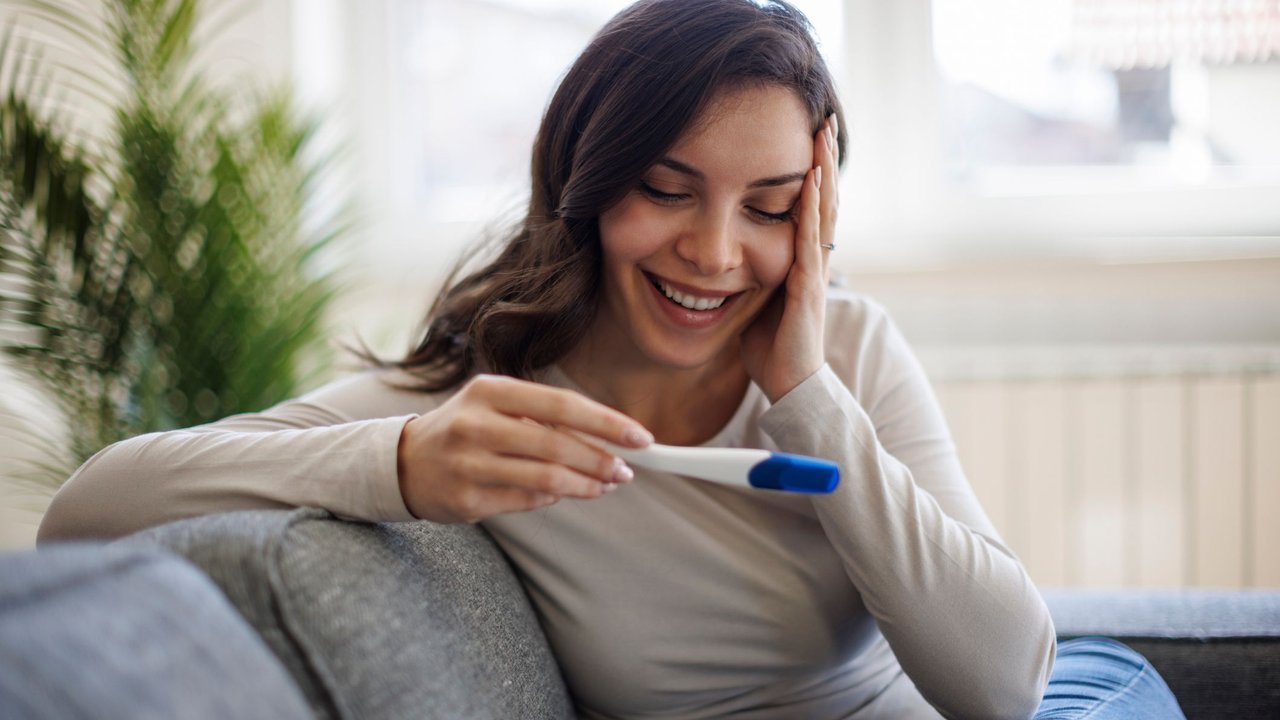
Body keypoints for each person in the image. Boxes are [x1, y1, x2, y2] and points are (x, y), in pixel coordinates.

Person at [38, 1, 1185, 718]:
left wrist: (804, 395)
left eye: (770, 206)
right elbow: (85, 512)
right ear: (585, 183)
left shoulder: (845, 349)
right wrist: (397, 462)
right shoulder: (487, 412)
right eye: (665, 190)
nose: (716, 254)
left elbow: (1002, 689)